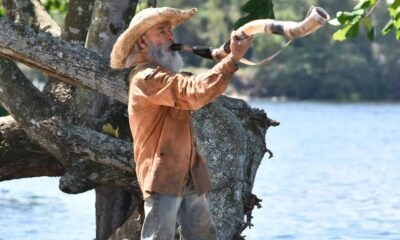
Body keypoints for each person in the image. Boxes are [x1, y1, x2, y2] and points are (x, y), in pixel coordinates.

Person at [110, 7, 252, 240]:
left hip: (187, 172)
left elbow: (190, 90)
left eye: (170, 31)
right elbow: (192, 92)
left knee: (203, 236)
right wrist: (232, 59)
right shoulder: (147, 78)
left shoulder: (160, 75)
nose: (170, 37)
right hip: (161, 174)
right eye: (162, 31)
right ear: (142, 41)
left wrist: (229, 57)